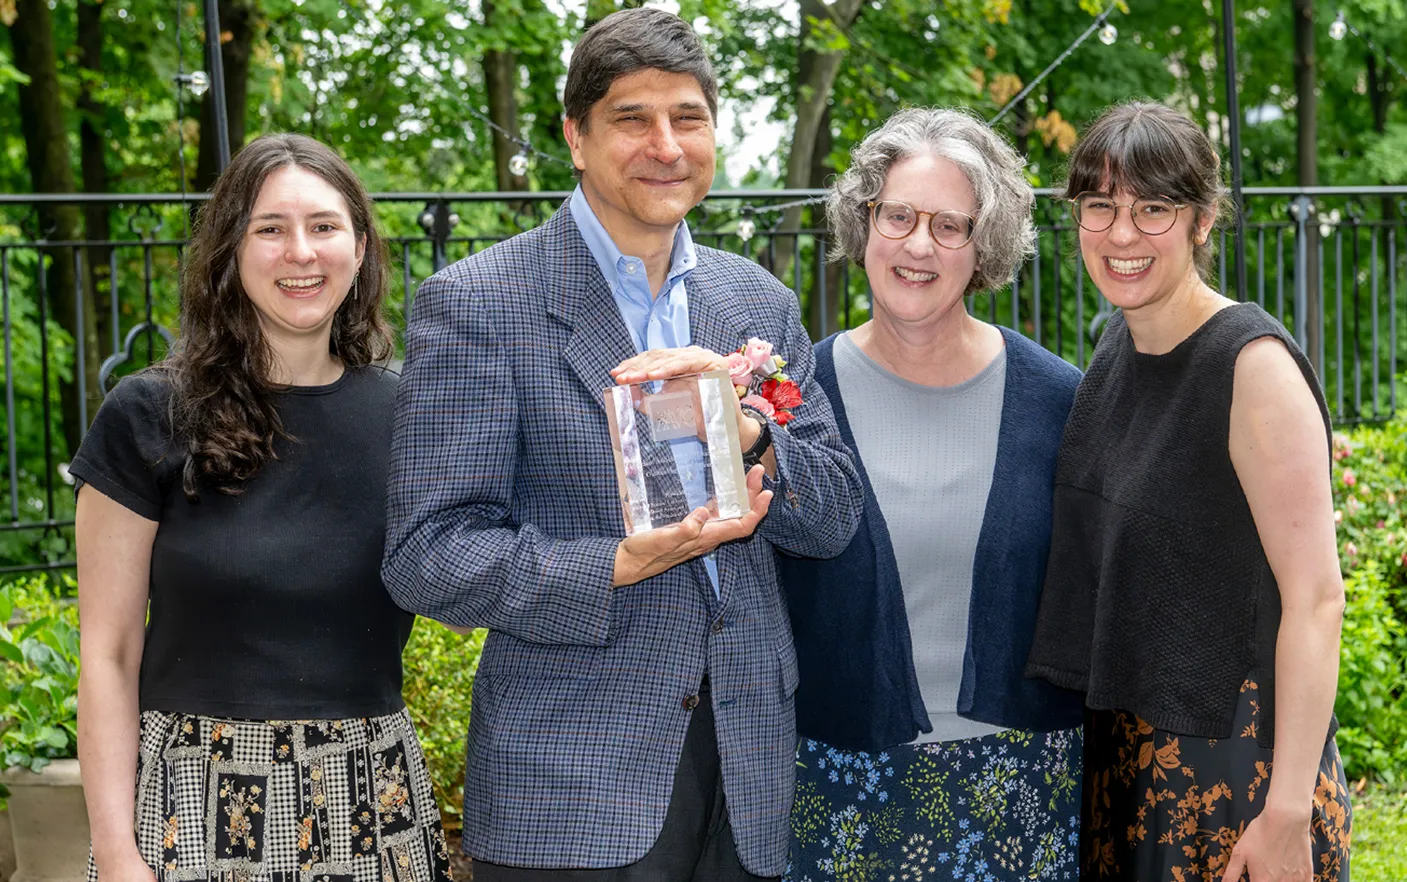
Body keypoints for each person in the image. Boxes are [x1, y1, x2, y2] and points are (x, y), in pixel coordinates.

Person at [379, 9, 862, 882]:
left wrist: (747, 429)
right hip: (569, 785)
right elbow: (427, 556)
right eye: (631, 119)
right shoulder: (478, 305)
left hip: (749, 772)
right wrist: (615, 564)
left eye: (687, 117)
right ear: (574, 136)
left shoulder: (753, 300)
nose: (664, 145)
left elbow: (830, 517)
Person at [73, 134, 453, 882]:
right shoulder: (149, 413)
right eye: (270, 229)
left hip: (369, 801)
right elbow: (107, 656)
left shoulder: (414, 416)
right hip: (191, 803)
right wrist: (118, 854)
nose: (300, 252)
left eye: (323, 226)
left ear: (360, 246)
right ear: (229, 251)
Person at [1026, 102, 1351, 881]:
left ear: (1202, 220)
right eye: (1098, 206)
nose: (1121, 233)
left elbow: (1315, 599)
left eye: (1152, 208)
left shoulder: (1250, 365)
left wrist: (1285, 812)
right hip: (1131, 760)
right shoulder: (1116, 349)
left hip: (1235, 777)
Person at [777, 108, 1085, 881]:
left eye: (951, 225)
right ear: (863, 221)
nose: (919, 245)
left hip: (1022, 791)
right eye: (899, 216)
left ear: (985, 245)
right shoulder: (791, 400)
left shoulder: (1061, 402)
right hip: (836, 787)